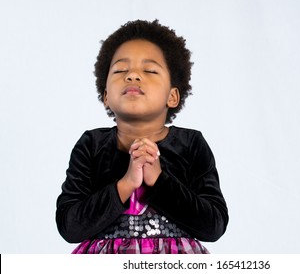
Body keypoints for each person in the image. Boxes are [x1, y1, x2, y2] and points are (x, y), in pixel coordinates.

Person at [55, 19, 229, 254]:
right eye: (120, 70)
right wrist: (126, 184)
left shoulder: (191, 144)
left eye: (149, 70)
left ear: (173, 96)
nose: (133, 76)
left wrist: (158, 179)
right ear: (106, 96)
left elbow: (214, 226)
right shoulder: (91, 145)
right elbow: (69, 227)